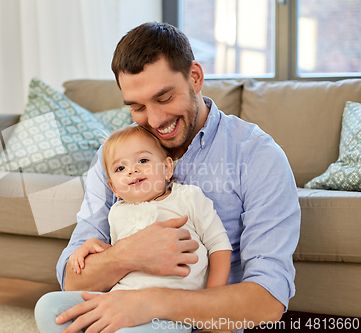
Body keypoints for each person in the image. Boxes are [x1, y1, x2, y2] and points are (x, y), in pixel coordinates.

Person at [44, 22, 300, 332]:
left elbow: (268, 302)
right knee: (52, 310)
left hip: (198, 320)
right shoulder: (115, 159)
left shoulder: (257, 156)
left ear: (195, 77)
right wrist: (129, 254)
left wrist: (151, 302)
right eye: (137, 107)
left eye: (164, 98)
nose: (154, 120)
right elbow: (71, 277)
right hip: (124, 306)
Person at [35, 125, 233, 332]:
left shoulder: (187, 197)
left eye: (143, 160)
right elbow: (125, 256)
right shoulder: (117, 212)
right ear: (114, 188)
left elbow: (219, 244)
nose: (132, 170)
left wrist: (211, 302)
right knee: (48, 307)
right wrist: (94, 245)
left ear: (167, 168)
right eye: (120, 168)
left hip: (172, 311)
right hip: (121, 298)